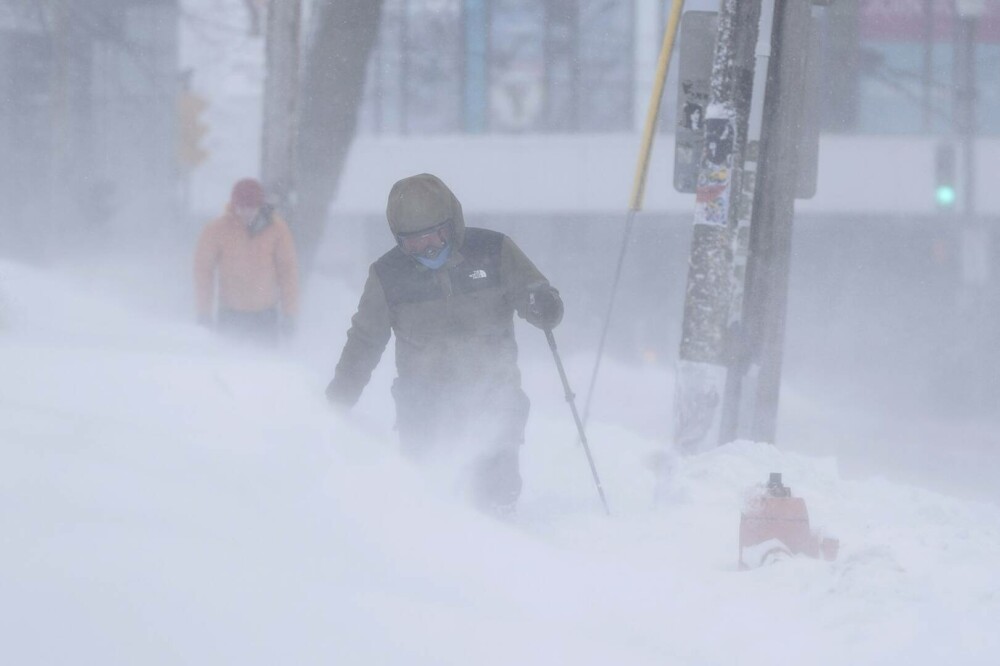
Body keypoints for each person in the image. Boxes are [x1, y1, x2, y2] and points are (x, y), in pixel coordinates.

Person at [326, 173, 563, 514]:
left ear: (452, 225)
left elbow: (535, 295)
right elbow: (364, 342)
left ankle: (501, 542)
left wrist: (544, 305)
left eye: (435, 236)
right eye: (414, 243)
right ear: (399, 240)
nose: (429, 248)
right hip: (424, 401)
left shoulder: (493, 251)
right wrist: (337, 402)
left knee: (497, 489)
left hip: (493, 392)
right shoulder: (388, 276)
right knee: (433, 494)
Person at [193, 178, 299, 345]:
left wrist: (289, 313)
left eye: (250, 207)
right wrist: (204, 312)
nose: (245, 212)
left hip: (265, 316)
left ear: (259, 206)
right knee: (229, 364)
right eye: (241, 207)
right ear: (234, 205)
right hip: (230, 314)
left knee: (266, 365)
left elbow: (288, 273)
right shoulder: (217, 229)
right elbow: (203, 271)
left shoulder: (277, 230)